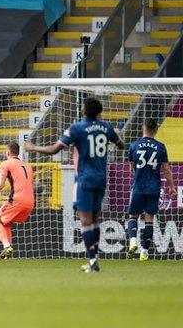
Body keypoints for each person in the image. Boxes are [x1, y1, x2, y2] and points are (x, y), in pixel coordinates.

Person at [25, 97, 124, 273]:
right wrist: (115, 134)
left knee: (85, 220)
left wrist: (33, 148)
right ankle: (93, 260)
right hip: (101, 178)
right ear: (99, 112)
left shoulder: (77, 128)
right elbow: (121, 145)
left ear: (84, 111)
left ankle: (93, 262)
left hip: (84, 179)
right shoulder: (107, 127)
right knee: (94, 220)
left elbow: (54, 149)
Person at [126, 118, 176, 261]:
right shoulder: (160, 147)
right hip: (154, 188)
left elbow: (131, 168)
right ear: (156, 130)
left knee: (133, 216)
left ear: (143, 127)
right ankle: (144, 252)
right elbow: (166, 169)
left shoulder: (134, 145)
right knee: (149, 220)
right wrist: (172, 187)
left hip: (138, 186)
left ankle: (133, 241)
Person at [0, 142, 34, 259]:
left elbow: (0, 186)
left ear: (8, 152)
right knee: (6, 223)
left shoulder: (6, 164)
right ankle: (7, 251)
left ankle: (6, 246)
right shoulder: (28, 166)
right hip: (30, 202)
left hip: (17, 200)